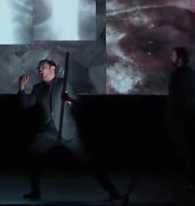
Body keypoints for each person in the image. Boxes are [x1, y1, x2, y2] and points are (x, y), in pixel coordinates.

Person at [18, 59, 124, 202]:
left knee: (90, 162)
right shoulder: (38, 88)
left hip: (68, 132)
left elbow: (77, 104)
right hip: (48, 132)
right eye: (39, 68)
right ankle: (34, 191)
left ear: (52, 68)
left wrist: (69, 100)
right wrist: (22, 87)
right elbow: (24, 105)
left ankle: (112, 190)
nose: (40, 70)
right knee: (33, 155)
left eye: (43, 67)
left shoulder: (63, 83)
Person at [164, 47, 195, 188]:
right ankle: (191, 178)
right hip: (191, 115)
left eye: (173, 55)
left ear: (179, 57)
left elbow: (174, 97)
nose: (171, 58)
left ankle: (187, 178)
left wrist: (170, 115)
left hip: (178, 117)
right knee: (189, 147)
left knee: (182, 147)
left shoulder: (176, 75)